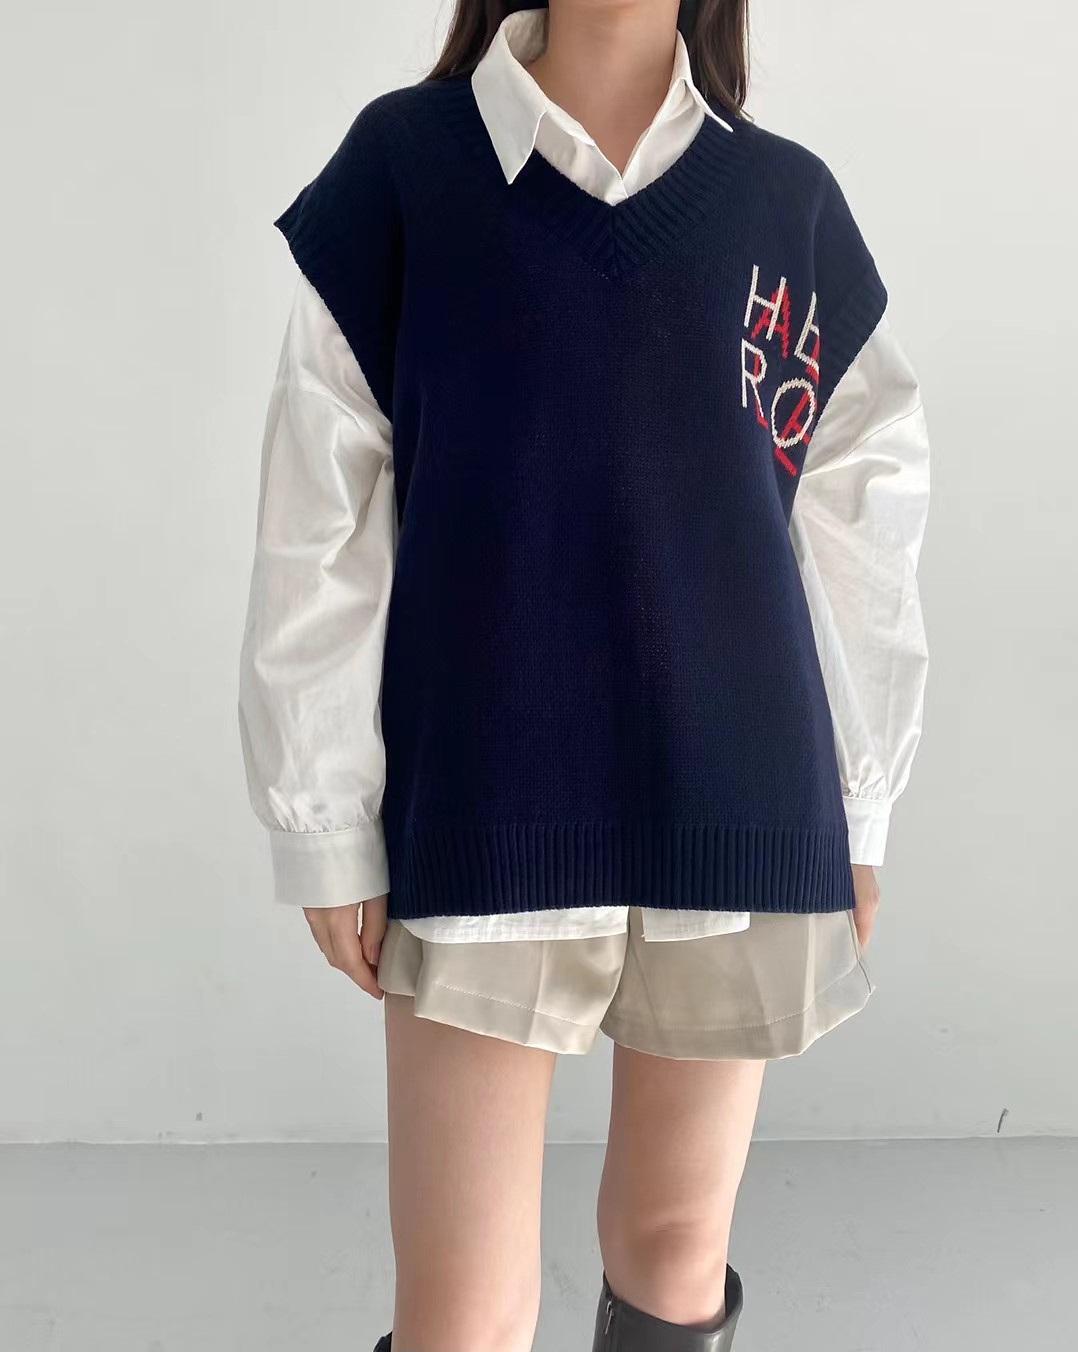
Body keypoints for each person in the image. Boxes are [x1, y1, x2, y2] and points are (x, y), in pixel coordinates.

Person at [238, 2, 930, 1347]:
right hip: (487, 798)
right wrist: (323, 816)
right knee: (463, 1308)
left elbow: (863, 523)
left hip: (737, 797)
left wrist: (859, 808)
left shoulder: (784, 205)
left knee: (676, 1254)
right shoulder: (406, 170)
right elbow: (320, 513)